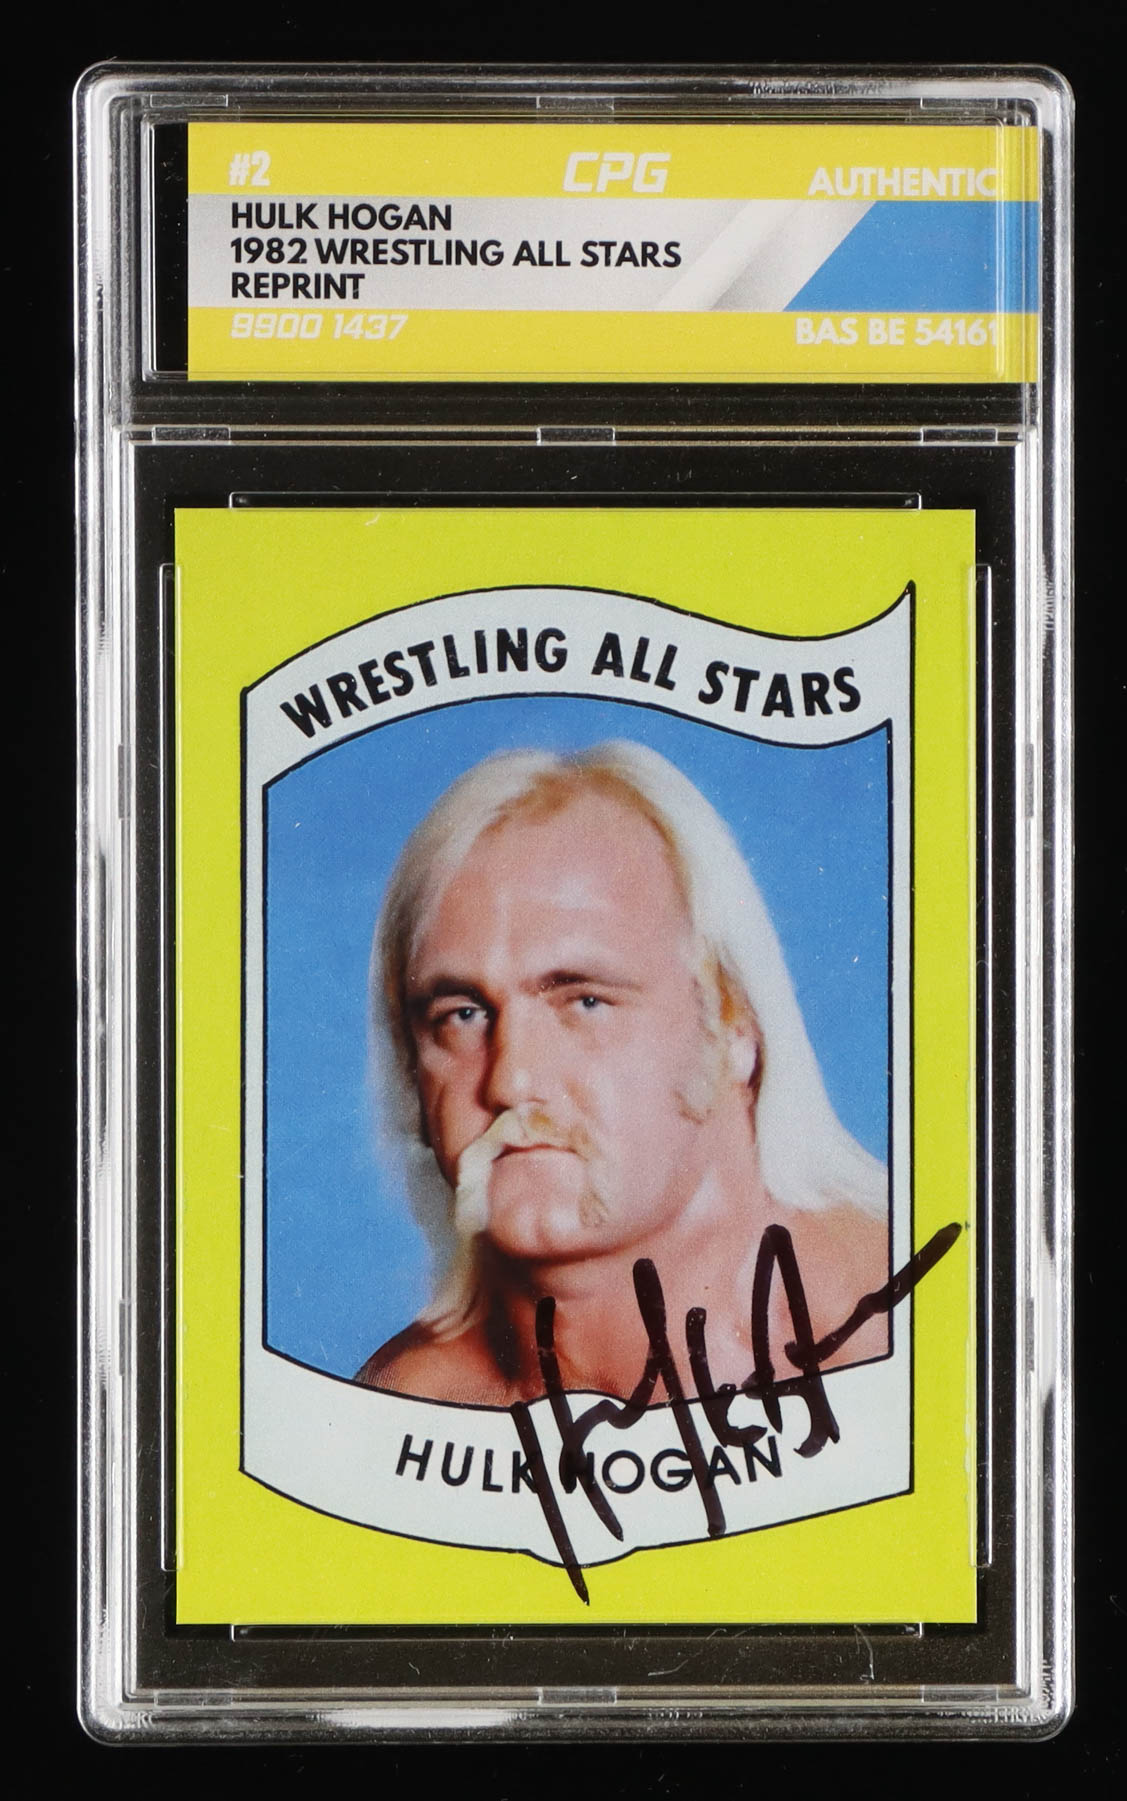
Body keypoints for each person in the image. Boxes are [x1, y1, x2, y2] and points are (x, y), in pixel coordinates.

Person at [356, 740, 889, 1405]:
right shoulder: (405, 1406)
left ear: (733, 1023)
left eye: (585, 1001)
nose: (510, 1082)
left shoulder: (921, 1329)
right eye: (462, 1015)